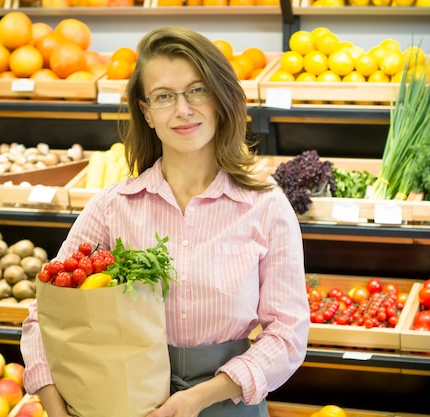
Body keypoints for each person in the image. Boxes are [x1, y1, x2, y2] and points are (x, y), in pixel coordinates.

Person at [20, 26, 310, 417]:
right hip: (125, 400)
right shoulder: (112, 207)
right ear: (147, 113)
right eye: (164, 97)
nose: (183, 109)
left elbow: (288, 333)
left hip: (228, 403)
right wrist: (54, 404)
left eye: (197, 90)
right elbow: (44, 312)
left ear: (221, 98)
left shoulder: (266, 208)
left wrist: (200, 397)